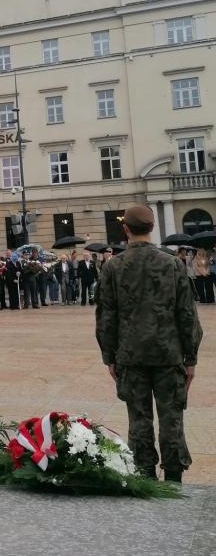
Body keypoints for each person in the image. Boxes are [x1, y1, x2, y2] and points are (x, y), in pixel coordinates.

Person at [96, 205, 202, 483]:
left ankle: (144, 475)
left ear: (126, 229)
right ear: (152, 228)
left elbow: (107, 316)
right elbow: (187, 315)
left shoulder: (113, 266)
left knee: (139, 419)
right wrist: (190, 358)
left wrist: (110, 357)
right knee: (172, 418)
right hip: (169, 354)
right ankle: (174, 477)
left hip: (130, 355)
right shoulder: (172, 264)